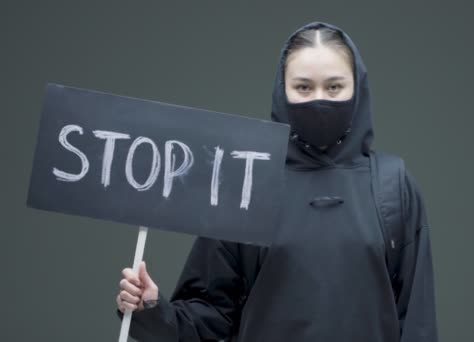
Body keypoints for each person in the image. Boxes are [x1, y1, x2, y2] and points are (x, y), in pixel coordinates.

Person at [116, 21, 439, 342]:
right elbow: (211, 318)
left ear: (357, 89)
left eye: (334, 87)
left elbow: (417, 322)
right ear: (282, 91)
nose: (319, 99)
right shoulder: (246, 184)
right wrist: (152, 310)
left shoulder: (393, 187)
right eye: (303, 87)